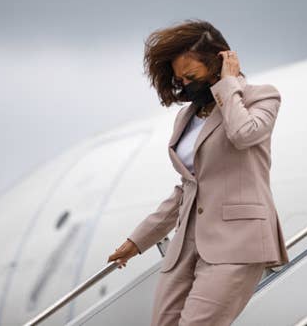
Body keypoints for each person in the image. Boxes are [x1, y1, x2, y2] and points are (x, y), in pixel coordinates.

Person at [107, 19, 289, 326]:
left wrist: (228, 84)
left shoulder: (261, 97)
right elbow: (188, 188)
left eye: (191, 76)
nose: (187, 86)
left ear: (219, 61)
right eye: (181, 79)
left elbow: (244, 134)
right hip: (186, 245)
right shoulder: (186, 117)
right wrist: (138, 241)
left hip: (236, 242)